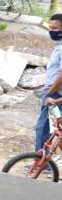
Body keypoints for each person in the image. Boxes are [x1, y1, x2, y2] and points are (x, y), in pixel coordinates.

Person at [35, 13, 62, 151]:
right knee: (57, 130)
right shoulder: (59, 45)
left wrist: (50, 92)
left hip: (55, 93)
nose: (52, 31)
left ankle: (40, 161)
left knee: (43, 127)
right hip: (55, 92)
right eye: (50, 28)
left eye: (56, 28)